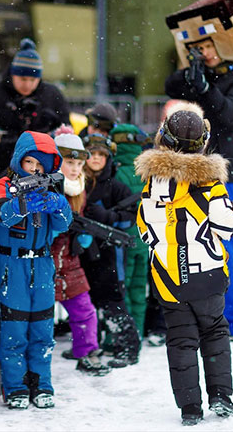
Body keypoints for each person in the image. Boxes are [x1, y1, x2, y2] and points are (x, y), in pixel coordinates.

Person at [135, 101, 233, 426]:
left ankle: (189, 408)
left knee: (180, 340)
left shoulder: (151, 184)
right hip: (207, 273)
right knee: (215, 334)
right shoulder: (211, 184)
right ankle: (221, 396)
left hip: (169, 277)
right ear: (203, 144)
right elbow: (225, 227)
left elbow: (146, 229)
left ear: (163, 139)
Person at [164, 0, 233, 339]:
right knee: (204, 247)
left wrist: (206, 88)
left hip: (226, 172)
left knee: (223, 247)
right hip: (196, 169)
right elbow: (169, 85)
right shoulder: (202, 72)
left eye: (207, 48)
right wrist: (193, 73)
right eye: (199, 49)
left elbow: (231, 114)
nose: (203, 53)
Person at [0, 130, 72, 409]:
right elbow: (2, 217)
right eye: (30, 163)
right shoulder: (4, 184)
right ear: (18, 161)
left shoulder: (51, 188)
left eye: (41, 165)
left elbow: (63, 225)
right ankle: (15, 387)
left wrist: (59, 205)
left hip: (42, 263)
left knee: (42, 329)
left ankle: (42, 384)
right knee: (14, 329)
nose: (36, 170)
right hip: (12, 266)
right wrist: (21, 204)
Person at [0, 38, 70, 187]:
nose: (28, 84)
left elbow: (66, 129)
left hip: (42, 170)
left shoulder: (53, 95)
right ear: (12, 74)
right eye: (22, 78)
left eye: (33, 79)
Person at [51, 125, 111, 376]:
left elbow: (81, 218)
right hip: (45, 260)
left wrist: (83, 236)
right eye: (69, 162)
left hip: (69, 259)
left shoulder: (79, 188)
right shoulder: (48, 187)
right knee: (39, 317)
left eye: (79, 164)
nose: (75, 169)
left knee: (84, 311)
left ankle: (86, 352)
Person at [79, 133, 141, 368]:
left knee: (113, 300)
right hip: (84, 253)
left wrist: (110, 217)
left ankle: (128, 346)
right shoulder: (78, 183)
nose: (95, 159)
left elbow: (132, 218)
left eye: (100, 155)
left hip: (110, 255)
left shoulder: (116, 187)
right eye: (91, 154)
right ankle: (98, 344)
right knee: (89, 301)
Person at [109, 123, 150, 336]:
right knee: (139, 288)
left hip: (124, 239)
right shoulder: (146, 171)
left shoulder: (115, 173)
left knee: (123, 288)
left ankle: (126, 334)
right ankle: (139, 331)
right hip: (145, 239)